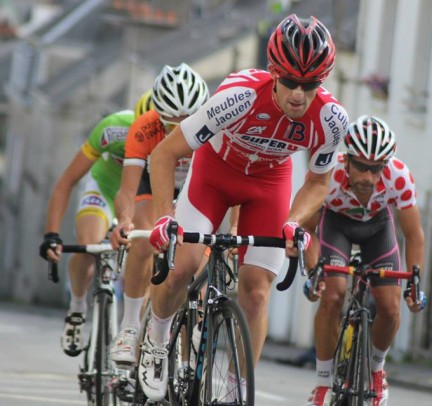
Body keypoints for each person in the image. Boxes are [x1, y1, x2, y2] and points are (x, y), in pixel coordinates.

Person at [139, 14, 348, 401]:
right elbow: (164, 155)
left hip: (268, 184)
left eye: (311, 84)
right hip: (214, 174)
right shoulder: (238, 97)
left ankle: (238, 391)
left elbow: (318, 182)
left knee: (255, 293)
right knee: (181, 267)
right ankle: (156, 339)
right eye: (289, 82)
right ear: (273, 72)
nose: (299, 94)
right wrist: (163, 218)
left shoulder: (331, 120)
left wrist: (292, 221)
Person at [303, 115, 426, 406]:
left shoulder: (399, 177)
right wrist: (313, 272)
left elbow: (414, 234)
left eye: (376, 169)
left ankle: (376, 371)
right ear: (347, 159)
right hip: (336, 226)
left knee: (391, 306)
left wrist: (414, 283)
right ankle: (322, 383)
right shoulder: (329, 174)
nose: (368, 177)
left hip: (377, 229)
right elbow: (307, 228)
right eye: (361, 167)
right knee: (332, 296)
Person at [108, 63, 210, 367]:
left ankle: (188, 350)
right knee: (144, 234)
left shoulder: (213, 126)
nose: (179, 130)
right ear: (158, 115)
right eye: (171, 123)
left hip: (195, 190)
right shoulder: (145, 126)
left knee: (202, 265)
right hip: (153, 185)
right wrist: (124, 220)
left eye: (187, 122)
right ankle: (129, 326)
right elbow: (127, 190)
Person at [38, 92, 153, 356]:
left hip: (139, 196)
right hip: (105, 188)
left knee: (143, 250)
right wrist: (51, 234)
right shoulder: (113, 128)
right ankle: (77, 307)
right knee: (89, 247)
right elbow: (66, 182)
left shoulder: (166, 138)